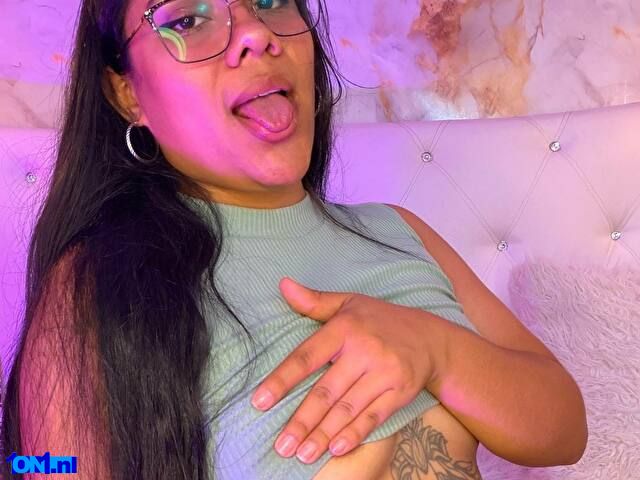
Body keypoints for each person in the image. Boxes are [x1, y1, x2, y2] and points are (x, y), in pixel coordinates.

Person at [0, 0, 587, 478]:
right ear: (127, 93)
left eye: (270, 0)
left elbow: (565, 426)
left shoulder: (397, 231)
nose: (256, 33)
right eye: (188, 20)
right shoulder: (99, 280)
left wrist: (437, 352)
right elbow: (40, 466)